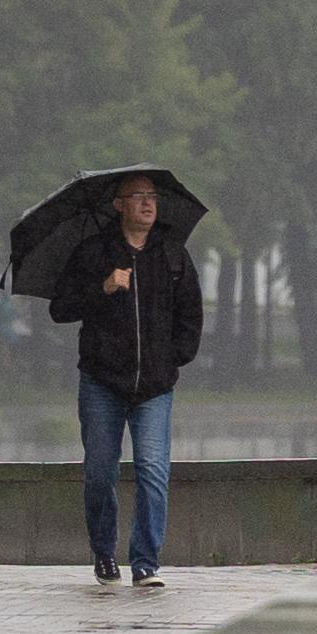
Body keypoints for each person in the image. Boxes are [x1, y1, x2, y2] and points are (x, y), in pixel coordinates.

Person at [45, 172, 201, 589]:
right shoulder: (94, 253)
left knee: (153, 469)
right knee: (100, 472)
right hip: (102, 383)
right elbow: (60, 309)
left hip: (155, 387)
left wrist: (174, 358)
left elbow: (190, 315)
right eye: (138, 196)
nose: (148, 203)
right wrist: (103, 287)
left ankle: (146, 562)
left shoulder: (172, 255)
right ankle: (104, 554)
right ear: (119, 205)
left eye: (153, 196)